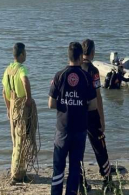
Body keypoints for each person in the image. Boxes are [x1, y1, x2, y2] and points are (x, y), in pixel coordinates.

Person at [48, 42, 97, 195]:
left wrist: (65, 104)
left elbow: (51, 103)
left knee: (58, 167)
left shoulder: (59, 75)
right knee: (74, 167)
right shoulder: (86, 77)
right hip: (80, 130)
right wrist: (79, 106)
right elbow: (93, 105)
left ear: (68, 56)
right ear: (81, 57)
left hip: (62, 129)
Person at [81, 39, 113, 191]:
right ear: (92, 52)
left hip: (77, 114)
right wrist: (102, 118)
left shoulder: (75, 66)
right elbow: (98, 95)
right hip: (91, 113)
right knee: (100, 147)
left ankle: (81, 182)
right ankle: (107, 179)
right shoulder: (93, 70)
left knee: (78, 149)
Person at [2, 42, 37, 184]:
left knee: (15, 140)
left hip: (13, 106)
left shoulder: (8, 69)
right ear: (21, 54)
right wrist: (29, 98)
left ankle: (18, 171)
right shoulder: (21, 68)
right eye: (25, 52)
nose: (26, 54)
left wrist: (8, 107)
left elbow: (4, 91)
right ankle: (17, 174)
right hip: (22, 107)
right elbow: (25, 80)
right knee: (22, 140)